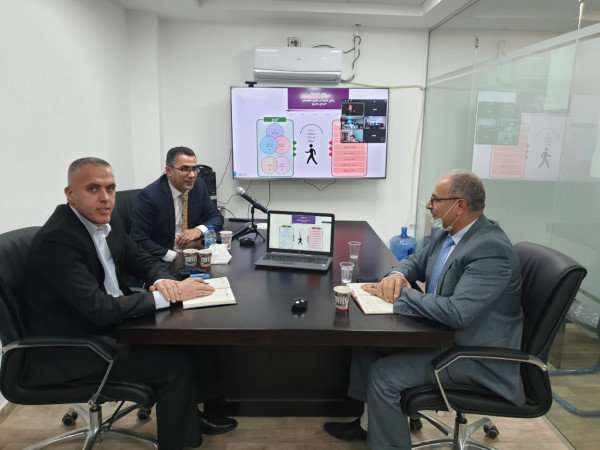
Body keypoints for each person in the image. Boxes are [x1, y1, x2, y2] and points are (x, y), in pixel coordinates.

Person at [23, 157, 237, 450]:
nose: (105, 198)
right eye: (93, 189)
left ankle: (197, 414)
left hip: (109, 323)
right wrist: (168, 295)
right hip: (77, 347)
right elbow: (100, 310)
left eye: (110, 188)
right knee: (176, 364)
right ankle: (180, 442)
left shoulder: (105, 222)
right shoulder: (58, 240)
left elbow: (141, 260)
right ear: (70, 194)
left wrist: (166, 282)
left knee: (193, 331)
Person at [323, 170, 525, 450]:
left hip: (473, 355)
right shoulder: (448, 235)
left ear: (460, 205)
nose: (429, 205)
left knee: (384, 375)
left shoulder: (490, 249)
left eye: (435, 200)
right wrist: (395, 276)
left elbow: (457, 313)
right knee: (367, 345)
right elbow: (413, 263)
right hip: (442, 336)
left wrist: (401, 295)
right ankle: (368, 425)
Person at [130, 146, 224, 262]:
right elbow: (139, 240)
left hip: (192, 254)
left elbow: (217, 217)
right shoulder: (149, 197)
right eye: (185, 169)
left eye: (194, 169)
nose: (192, 175)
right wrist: (175, 257)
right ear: (169, 171)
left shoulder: (199, 186)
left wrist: (199, 230)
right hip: (163, 259)